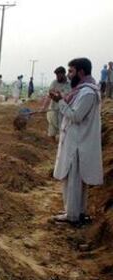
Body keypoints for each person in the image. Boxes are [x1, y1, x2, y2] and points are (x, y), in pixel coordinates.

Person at [51, 58, 103, 225]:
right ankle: (75, 212)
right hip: (76, 142)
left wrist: (60, 102)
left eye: (71, 71)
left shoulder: (87, 93)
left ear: (81, 72)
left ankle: (73, 216)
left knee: (74, 181)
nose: (69, 75)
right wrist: (60, 100)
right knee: (74, 180)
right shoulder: (82, 91)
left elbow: (76, 116)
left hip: (79, 144)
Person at [42, 66, 71, 142]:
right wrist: (43, 107)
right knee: (52, 125)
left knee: (63, 126)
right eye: (56, 75)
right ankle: (52, 143)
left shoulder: (69, 84)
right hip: (53, 108)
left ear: (63, 74)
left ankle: (62, 143)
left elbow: (68, 97)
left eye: (59, 75)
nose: (57, 77)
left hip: (63, 110)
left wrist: (60, 96)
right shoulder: (54, 82)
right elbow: (50, 95)